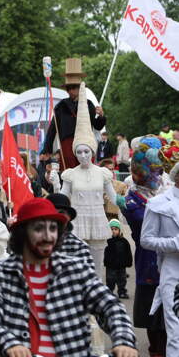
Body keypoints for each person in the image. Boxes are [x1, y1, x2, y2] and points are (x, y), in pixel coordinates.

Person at [0, 197, 139, 357]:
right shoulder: (0, 274)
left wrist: (124, 341)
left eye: (53, 228)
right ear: (22, 233)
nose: (48, 236)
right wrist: (9, 343)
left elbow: (111, 306)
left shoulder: (76, 270)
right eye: (39, 229)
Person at [51, 83, 119, 279]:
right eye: (79, 152)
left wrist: (130, 200)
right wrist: (55, 183)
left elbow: (115, 198)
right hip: (78, 222)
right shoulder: (70, 174)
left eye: (86, 151)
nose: (82, 155)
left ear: (92, 151)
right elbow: (63, 199)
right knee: (78, 269)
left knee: (97, 270)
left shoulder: (103, 173)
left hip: (97, 221)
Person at [121, 135, 167, 357]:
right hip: (148, 261)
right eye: (155, 172)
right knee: (151, 314)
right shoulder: (132, 201)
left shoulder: (164, 193)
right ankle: (157, 353)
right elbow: (143, 222)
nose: (159, 177)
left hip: (169, 261)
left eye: (160, 172)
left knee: (169, 312)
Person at [141, 141, 179, 357]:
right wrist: (175, 243)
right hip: (172, 269)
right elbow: (146, 240)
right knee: (175, 329)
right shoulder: (158, 203)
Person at [41, 58, 106, 169]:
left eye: (74, 87)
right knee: (69, 173)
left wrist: (101, 116)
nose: (71, 91)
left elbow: (97, 126)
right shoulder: (61, 106)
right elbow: (52, 129)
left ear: (80, 88)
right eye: (68, 88)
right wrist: (46, 149)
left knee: (86, 171)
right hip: (67, 145)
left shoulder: (88, 104)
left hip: (85, 143)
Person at [45, 193, 95, 271]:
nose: (57, 217)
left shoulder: (79, 247)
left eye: (61, 213)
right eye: (52, 212)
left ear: (69, 217)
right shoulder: (32, 244)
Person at [104, 219, 133, 299]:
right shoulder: (108, 241)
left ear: (119, 230)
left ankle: (122, 292)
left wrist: (129, 262)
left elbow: (128, 252)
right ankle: (110, 291)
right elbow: (105, 252)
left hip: (121, 265)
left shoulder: (124, 241)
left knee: (122, 279)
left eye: (116, 229)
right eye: (111, 229)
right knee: (110, 279)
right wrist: (106, 262)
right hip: (110, 265)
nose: (113, 231)